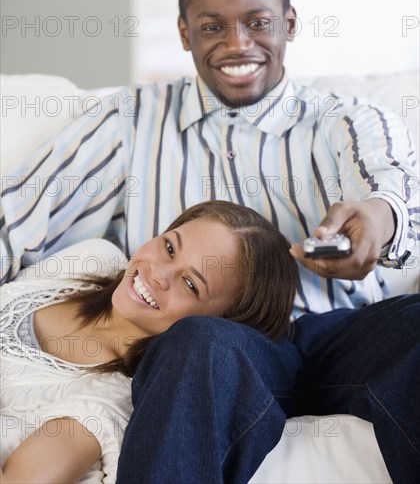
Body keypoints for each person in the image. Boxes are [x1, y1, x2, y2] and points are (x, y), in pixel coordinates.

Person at [0, 0, 418, 483]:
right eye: (212, 25)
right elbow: (19, 217)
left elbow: (393, 191)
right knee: (196, 344)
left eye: (258, 22)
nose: (237, 43)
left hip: (337, 332)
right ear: (183, 32)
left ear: (289, 23)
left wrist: (376, 225)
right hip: (217, 339)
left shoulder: (347, 122)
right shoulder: (131, 121)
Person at [0, 200, 298, 483]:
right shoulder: (92, 259)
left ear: (216, 326)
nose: (159, 273)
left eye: (191, 284)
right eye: (169, 247)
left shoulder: (106, 403)